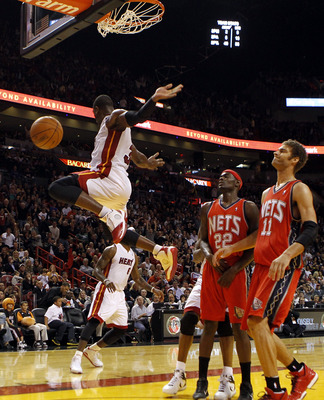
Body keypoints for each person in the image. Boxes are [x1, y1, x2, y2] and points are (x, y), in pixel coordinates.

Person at [215, 140, 318, 400]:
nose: (276, 152)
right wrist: (231, 247)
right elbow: (261, 234)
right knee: (254, 327)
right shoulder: (266, 193)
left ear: (295, 159)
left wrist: (286, 255)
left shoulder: (300, 189)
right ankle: (300, 372)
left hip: (282, 266)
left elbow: (311, 228)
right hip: (262, 266)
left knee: (255, 322)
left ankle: (276, 390)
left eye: (282, 150)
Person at [48, 84, 183, 281]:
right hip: (120, 190)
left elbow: (136, 117)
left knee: (56, 187)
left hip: (107, 178)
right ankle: (160, 250)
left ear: (95, 110)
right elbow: (139, 159)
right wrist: (148, 163)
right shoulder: (123, 138)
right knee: (114, 236)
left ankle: (107, 213)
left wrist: (153, 100)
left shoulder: (111, 119)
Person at [193, 170, 259, 400]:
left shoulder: (248, 207)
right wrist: (209, 255)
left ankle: (247, 385)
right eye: (220, 176)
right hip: (212, 271)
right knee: (209, 326)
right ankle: (201, 382)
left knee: (239, 328)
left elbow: (255, 243)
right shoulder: (207, 208)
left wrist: (235, 269)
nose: (221, 178)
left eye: (227, 176)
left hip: (236, 272)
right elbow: (201, 239)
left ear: (237, 183)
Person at [70, 242, 164, 374]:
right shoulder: (112, 249)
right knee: (95, 321)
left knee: (121, 329)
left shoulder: (133, 255)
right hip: (106, 288)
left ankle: (92, 351)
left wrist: (153, 289)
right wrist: (106, 280)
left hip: (119, 293)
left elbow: (137, 278)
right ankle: (77, 357)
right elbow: (96, 270)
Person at [162, 245, 237, 397]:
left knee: (224, 325)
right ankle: (180, 374)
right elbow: (196, 256)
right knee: (188, 319)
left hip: (229, 277)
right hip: (206, 277)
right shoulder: (209, 225)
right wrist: (206, 251)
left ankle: (228, 377)